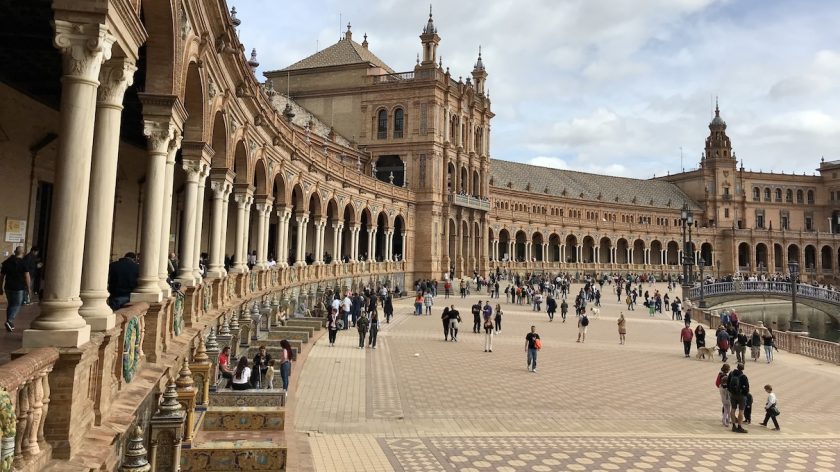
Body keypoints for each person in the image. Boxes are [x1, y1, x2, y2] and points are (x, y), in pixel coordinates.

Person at [1, 246, 31, 332]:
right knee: (17, 304)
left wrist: (0, 287)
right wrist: (29, 288)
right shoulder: (23, 263)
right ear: (23, 253)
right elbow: (27, 276)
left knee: (11, 304)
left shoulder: (6, 262)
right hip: (18, 287)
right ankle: (9, 321)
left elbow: (2, 276)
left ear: (14, 251)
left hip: (8, 287)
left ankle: (9, 323)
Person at [728, 363, 749, 433]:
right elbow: (747, 388)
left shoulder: (731, 374)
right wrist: (745, 394)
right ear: (743, 368)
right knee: (741, 411)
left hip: (733, 395)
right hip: (741, 395)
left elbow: (728, 384)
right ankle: (739, 426)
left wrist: (731, 391)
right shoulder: (743, 376)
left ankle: (733, 426)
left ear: (737, 367)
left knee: (733, 409)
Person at [715, 363, 731, 428]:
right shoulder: (724, 376)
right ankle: (727, 420)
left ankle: (724, 419)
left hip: (722, 393)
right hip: (727, 396)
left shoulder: (720, 373)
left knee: (725, 407)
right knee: (728, 409)